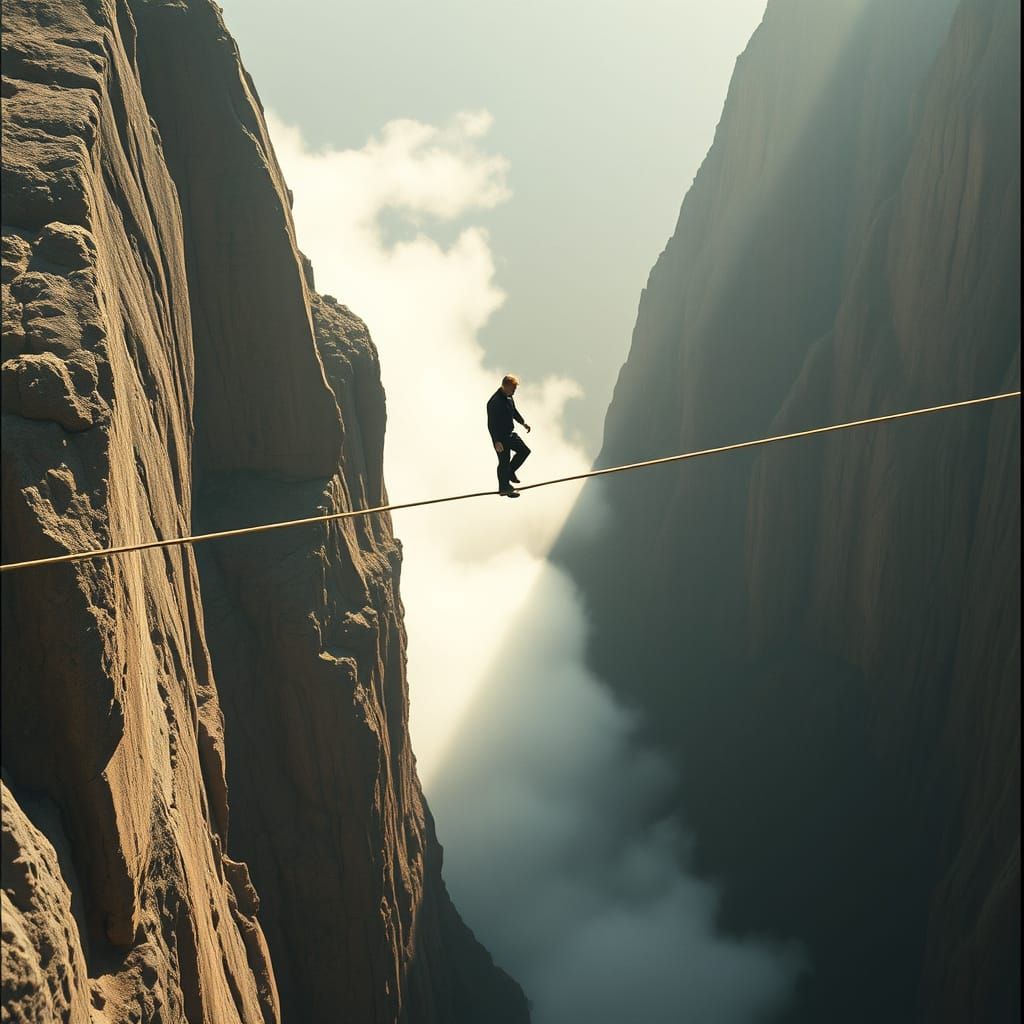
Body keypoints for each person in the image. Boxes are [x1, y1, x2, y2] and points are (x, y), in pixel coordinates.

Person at [486, 374, 532, 497]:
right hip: (500, 438)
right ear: (505, 386)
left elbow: (514, 412)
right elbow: (491, 424)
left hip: (510, 434)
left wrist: (523, 423)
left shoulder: (509, 397)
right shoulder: (494, 402)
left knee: (524, 451)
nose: (514, 392)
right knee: (504, 462)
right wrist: (496, 441)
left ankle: (510, 471)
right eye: (513, 389)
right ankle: (504, 487)